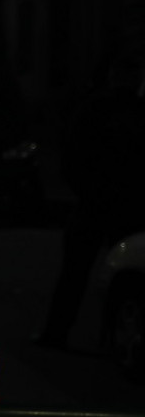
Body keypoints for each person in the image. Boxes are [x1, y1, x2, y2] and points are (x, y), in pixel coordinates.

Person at [33, 53, 145, 349]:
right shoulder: (130, 111)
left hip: (97, 203)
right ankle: (107, 340)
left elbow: (72, 154)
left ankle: (58, 333)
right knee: (116, 276)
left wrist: (85, 190)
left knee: (76, 273)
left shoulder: (97, 108)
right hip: (123, 205)